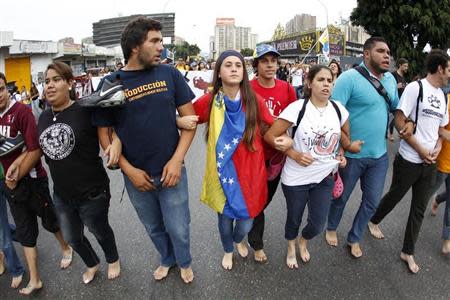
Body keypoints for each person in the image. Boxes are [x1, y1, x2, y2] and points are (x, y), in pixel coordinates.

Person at [93, 17, 196, 283]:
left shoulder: (170, 74)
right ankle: (167, 259)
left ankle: (184, 261)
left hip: (172, 171)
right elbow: (104, 133)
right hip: (137, 177)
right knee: (153, 227)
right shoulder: (110, 83)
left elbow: (190, 122)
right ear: (135, 46)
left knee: (179, 227)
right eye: (155, 41)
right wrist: (128, 171)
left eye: (161, 40)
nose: (161, 46)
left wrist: (176, 161)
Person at [14, 61, 122, 284]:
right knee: (73, 237)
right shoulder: (43, 117)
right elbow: (37, 149)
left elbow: (111, 129)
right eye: (46, 81)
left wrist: (115, 143)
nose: (49, 86)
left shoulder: (84, 110)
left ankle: (113, 259)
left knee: (99, 230)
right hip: (62, 195)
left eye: (56, 80)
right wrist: (19, 163)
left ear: (70, 83)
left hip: (92, 192)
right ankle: (92, 263)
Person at [325, 37, 411, 258]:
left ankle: (354, 237)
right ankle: (332, 227)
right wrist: (343, 146)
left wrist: (406, 125)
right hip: (353, 154)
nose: (386, 56)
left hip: (379, 155)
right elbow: (333, 115)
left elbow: (395, 109)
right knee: (341, 197)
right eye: (381, 51)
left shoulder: (390, 80)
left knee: (372, 202)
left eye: (388, 52)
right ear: (366, 54)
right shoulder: (349, 79)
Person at [192, 50, 276, 270]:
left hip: (252, 173)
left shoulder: (254, 99)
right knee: (225, 218)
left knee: (246, 222)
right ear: (219, 72)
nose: (234, 69)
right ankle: (228, 250)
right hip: (224, 172)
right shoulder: (210, 101)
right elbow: (190, 118)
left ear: (244, 71)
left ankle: (238, 240)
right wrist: (180, 122)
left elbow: (273, 124)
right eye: (228, 65)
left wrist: (287, 139)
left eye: (238, 65)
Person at [368, 49, 449, 273]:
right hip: (409, 159)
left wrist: (437, 148)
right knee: (395, 195)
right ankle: (374, 220)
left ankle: (408, 251)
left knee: (419, 208)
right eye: (448, 69)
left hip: (429, 162)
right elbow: (400, 119)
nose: (449, 74)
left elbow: (442, 129)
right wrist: (421, 149)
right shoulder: (416, 88)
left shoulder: (443, 95)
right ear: (440, 68)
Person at [264, 65, 348, 269]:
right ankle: (291, 246)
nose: (326, 84)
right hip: (296, 177)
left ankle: (304, 240)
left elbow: (344, 138)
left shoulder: (339, 109)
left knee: (318, 223)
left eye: (330, 80)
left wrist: (341, 153)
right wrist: (294, 154)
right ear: (309, 83)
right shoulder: (297, 108)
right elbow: (269, 136)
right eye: (321, 79)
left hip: (325, 176)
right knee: (294, 217)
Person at [0, 72, 73, 295]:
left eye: (0, 89)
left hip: (32, 181)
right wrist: (9, 181)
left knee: (50, 219)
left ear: (7, 89)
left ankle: (66, 246)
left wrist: (16, 174)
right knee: (24, 231)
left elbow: (36, 149)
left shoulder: (22, 112)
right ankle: (35, 280)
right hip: (10, 186)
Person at [248, 44, 297, 263]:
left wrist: (289, 141)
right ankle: (255, 243)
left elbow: (296, 119)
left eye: (273, 61)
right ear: (256, 64)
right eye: (265, 61)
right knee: (256, 200)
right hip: (251, 155)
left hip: (276, 157)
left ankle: (244, 228)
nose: (270, 65)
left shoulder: (287, 89)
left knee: (263, 200)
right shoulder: (246, 88)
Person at [0, 163, 24, 289]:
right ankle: (26, 241)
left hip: (4, 174)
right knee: (3, 229)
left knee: (2, 232)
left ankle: (16, 269)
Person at [389, 58, 409, 141]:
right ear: (400, 65)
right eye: (405, 66)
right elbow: (387, 87)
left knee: (398, 118)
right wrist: (396, 87)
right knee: (397, 118)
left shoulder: (403, 77)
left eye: (407, 66)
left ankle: (397, 134)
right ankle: (394, 134)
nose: (406, 68)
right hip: (394, 101)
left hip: (401, 101)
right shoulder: (393, 75)